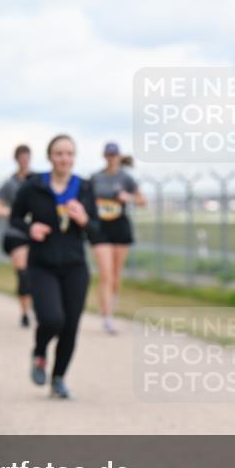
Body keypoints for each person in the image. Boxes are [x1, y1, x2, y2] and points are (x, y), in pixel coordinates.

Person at [10, 134, 101, 399]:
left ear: (75, 158)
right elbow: (15, 218)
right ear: (50, 157)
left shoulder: (83, 188)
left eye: (70, 154)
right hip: (42, 264)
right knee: (52, 318)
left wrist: (83, 219)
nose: (65, 159)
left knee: (71, 325)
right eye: (59, 153)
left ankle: (59, 378)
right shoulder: (34, 186)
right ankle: (39, 353)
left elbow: (97, 232)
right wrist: (31, 228)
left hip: (74, 266)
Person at [90, 143, 146, 334]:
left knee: (115, 274)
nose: (111, 158)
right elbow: (87, 199)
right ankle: (107, 317)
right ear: (104, 156)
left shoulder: (126, 178)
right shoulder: (96, 178)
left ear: (118, 156)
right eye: (108, 155)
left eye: (114, 155)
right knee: (106, 273)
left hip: (120, 226)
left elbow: (142, 200)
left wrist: (127, 197)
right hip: (100, 228)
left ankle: (110, 304)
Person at [0, 144, 36, 327]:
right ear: (16, 160)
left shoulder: (37, 181)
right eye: (21, 158)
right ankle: (25, 313)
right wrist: (14, 213)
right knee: (23, 274)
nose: (24, 162)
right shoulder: (10, 184)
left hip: (37, 234)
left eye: (27, 158)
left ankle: (35, 306)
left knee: (35, 274)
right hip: (16, 233)